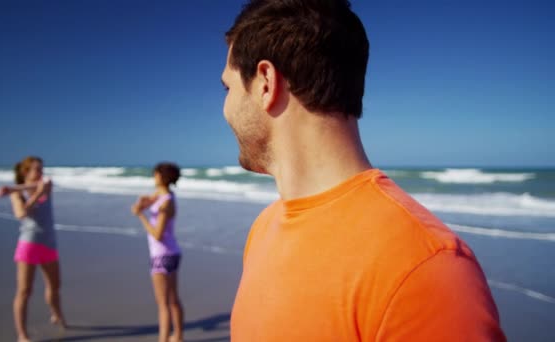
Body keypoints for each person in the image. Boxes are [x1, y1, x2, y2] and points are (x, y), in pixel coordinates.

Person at [221, 1, 506, 341]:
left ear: (266, 82)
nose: (225, 107)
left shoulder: (426, 269)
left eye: (228, 88)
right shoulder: (263, 228)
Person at [0, 156, 66, 342]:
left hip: (49, 244)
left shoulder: (46, 185)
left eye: (41, 169)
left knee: (55, 286)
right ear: (25, 172)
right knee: (24, 291)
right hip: (29, 245)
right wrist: (32, 195)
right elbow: (21, 214)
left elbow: (46, 184)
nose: (41, 173)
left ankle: (57, 314)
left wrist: (15, 188)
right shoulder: (17, 194)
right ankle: (22, 335)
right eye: (36, 170)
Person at [131, 162, 184, 342]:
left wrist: (140, 215)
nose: (153, 177)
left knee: (163, 304)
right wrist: (143, 203)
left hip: (161, 254)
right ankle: (178, 336)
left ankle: (164, 338)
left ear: (161, 176)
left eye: (155, 174)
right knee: (173, 299)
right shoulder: (166, 196)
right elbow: (149, 200)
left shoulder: (166, 202)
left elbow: (157, 234)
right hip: (172, 252)